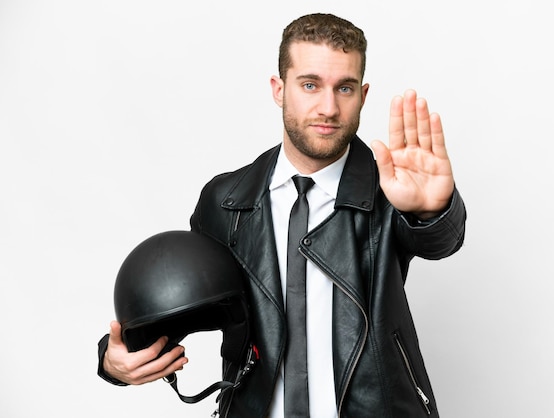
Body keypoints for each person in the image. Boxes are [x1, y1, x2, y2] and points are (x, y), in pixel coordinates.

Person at [98, 12, 466, 418]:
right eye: (310, 85)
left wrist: (433, 210)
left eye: (344, 88)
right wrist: (113, 359)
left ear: (362, 95)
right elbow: (179, 303)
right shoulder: (227, 201)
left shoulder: (389, 189)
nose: (328, 107)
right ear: (279, 89)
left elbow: (439, 241)